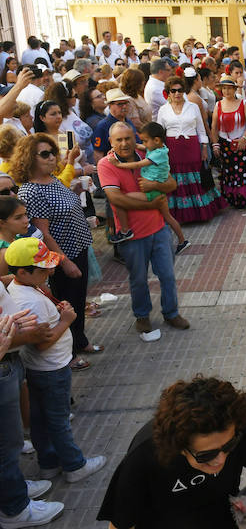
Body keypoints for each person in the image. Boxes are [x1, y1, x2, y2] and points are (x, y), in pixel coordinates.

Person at [98, 376, 246, 528]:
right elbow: (120, 524)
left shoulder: (233, 425)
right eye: (206, 455)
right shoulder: (143, 457)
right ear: (178, 444)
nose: (221, 459)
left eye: (229, 447)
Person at [6, 237, 107, 484]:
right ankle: (75, 465)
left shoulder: (22, 288)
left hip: (37, 368)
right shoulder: (30, 301)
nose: (50, 271)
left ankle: (48, 464)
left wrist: (55, 307)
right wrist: (66, 320)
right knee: (58, 420)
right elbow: (42, 341)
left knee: (40, 420)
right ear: (22, 271)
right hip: (52, 368)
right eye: (43, 268)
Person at [10, 134, 100, 370]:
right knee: (65, 302)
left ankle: (79, 340)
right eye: (45, 154)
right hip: (61, 256)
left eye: (52, 152)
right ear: (30, 158)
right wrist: (64, 261)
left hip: (79, 246)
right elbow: (44, 233)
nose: (52, 158)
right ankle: (68, 354)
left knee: (78, 299)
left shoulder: (52, 180)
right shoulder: (31, 191)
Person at [97, 123, 189, 342]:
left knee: (167, 275)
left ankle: (171, 313)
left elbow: (171, 184)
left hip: (159, 229)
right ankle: (142, 315)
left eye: (128, 138)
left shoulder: (148, 154)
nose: (124, 143)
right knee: (138, 279)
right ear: (111, 142)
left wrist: (153, 188)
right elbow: (115, 199)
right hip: (132, 235)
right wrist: (153, 203)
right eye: (118, 140)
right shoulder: (106, 164)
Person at [0, 298, 64, 528]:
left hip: (8, 359)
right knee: (6, 446)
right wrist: (25, 336)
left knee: (11, 441)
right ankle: (14, 508)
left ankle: (12, 486)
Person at [108, 122, 189, 254]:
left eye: (145, 141)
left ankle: (125, 230)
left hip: (153, 192)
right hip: (158, 191)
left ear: (156, 140)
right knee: (168, 217)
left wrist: (118, 164)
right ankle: (182, 241)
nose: (143, 144)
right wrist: (119, 146)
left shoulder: (156, 155)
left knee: (121, 200)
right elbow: (141, 147)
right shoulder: (160, 148)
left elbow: (139, 164)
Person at [156, 76, 224, 223]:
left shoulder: (192, 107)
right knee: (177, 178)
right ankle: (180, 215)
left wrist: (205, 148)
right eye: (173, 91)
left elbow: (201, 129)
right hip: (173, 149)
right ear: (168, 92)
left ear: (184, 90)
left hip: (192, 147)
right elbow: (160, 134)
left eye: (180, 90)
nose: (177, 94)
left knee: (196, 177)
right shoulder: (163, 110)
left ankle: (200, 212)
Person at [211, 78, 246, 209]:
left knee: (242, 172)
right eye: (224, 88)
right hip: (225, 145)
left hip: (241, 143)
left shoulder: (243, 103)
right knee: (228, 172)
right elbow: (214, 127)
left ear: (235, 89)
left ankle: (243, 198)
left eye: (229, 88)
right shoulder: (218, 105)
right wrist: (215, 144)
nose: (226, 91)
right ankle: (231, 198)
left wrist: (244, 138)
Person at [120, 67, 151, 132]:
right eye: (141, 81)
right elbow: (136, 123)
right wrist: (150, 132)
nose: (143, 83)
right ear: (136, 83)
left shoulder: (138, 96)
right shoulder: (129, 100)